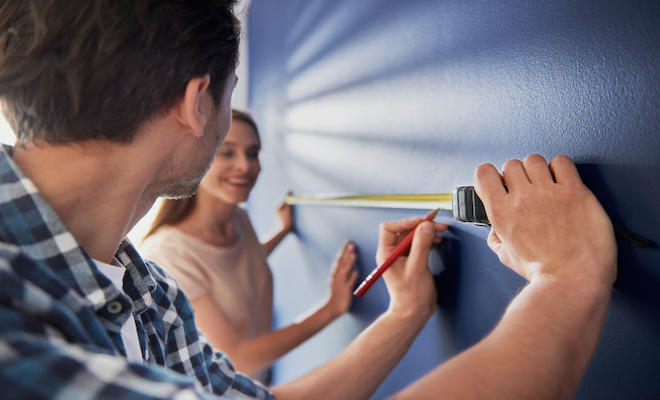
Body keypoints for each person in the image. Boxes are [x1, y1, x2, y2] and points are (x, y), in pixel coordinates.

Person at [0, 1, 617, 399]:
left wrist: (403, 314)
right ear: (197, 103)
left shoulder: (142, 287)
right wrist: (565, 282)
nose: (238, 160)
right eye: (229, 98)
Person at [139, 109, 359, 383]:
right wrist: (331, 309)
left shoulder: (238, 218)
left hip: (260, 381)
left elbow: (237, 268)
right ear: (196, 157)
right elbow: (237, 357)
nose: (245, 165)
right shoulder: (167, 253)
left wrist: (282, 232)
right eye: (227, 152)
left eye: (253, 153)